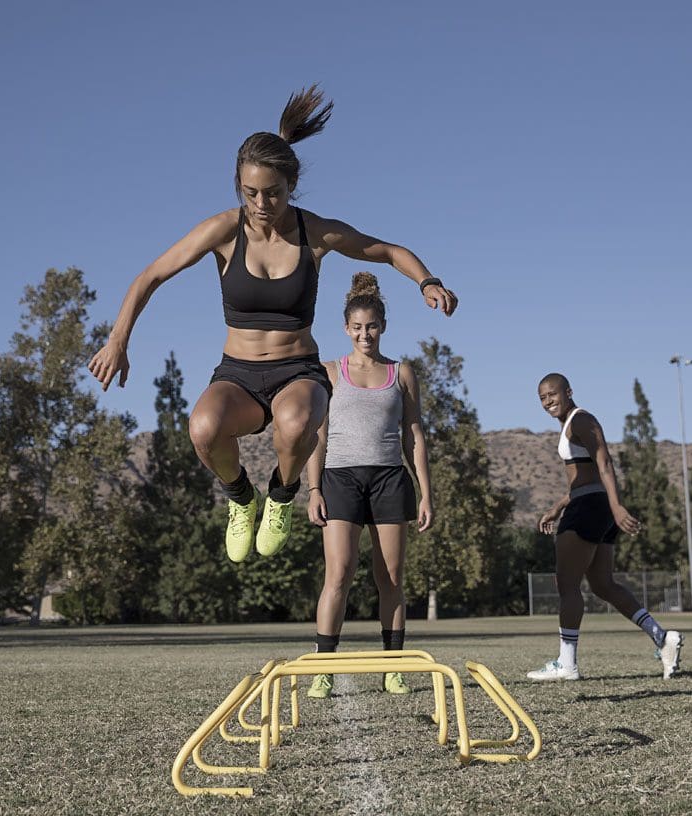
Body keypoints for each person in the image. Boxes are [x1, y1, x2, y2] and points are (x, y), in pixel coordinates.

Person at [87, 85, 457, 563]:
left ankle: (281, 497)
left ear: (292, 186)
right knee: (203, 429)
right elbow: (150, 276)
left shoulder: (315, 233)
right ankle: (242, 499)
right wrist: (118, 340)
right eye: (251, 193)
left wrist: (427, 280)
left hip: (297, 372)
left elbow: (386, 250)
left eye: (274, 193)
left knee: (298, 421)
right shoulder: (223, 230)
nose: (262, 204)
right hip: (237, 374)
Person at [303, 273, 432, 698]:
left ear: (383, 326)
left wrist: (426, 491)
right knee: (338, 572)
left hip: (390, 480)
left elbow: (413, 434)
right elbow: (316, 435)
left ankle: (392, 667)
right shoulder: (330, 372)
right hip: (340, 478)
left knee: (391, 576)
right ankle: (323, 669)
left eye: (372, 326)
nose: (365, 334)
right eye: (357, 327)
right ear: (346, 329)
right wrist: (314, 489)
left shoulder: (402, 373)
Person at [527, 373, 684, 681]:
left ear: (568, 391)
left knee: (567, 583)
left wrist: (616, 507)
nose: (548, 401)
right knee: (602, 584)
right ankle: (662, 638)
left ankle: (567, 663)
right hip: (592, 505)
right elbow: (583, 477)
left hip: (591, 508)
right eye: (542, 397)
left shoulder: (581, 420)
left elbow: (605, 463)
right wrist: (558, 507)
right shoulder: (570, 424)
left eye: (552, 394)